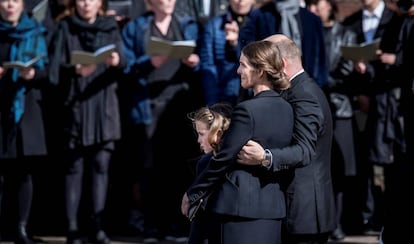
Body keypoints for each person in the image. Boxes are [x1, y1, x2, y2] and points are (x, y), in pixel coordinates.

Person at [182, 40, 294, 244]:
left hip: (238, 211)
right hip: (273, 209)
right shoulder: (287, 109)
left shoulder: (246, 110)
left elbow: (224, 157)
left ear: (260, 71)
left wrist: (193, 193)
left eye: (243, 65)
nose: (238, 70)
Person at [237, 34, 335, 244]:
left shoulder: (304, 94)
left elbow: (305, 150)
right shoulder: (292, 90)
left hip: (304, 212)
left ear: (280, 63)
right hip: (291, 208)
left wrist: (265, 156)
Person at [121, 0, 201, 241]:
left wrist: (194, 63)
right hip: (149, 106)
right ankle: (151, 225)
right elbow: (126, 67)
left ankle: (176, 224)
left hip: (180, 105)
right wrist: (149, 62)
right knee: (149, 167)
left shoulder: (187, 25)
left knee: (177, 166)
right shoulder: (136, 28)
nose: (167, 2)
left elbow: (203, 60)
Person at [47, 0, 125, 243]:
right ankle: (72, 228)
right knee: (75, 167)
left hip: (104, 105)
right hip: (77, 105)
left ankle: (97, 226)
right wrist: (75, 70)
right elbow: (53, 69)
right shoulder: (64, 27)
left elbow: (124, 60)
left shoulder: (110, 26)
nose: (86, 4)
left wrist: (115, 61)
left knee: (101, 166)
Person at [342, 0, 405, 233]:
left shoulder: (396, 20)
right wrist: (359, 92)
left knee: (389, 159)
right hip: (360, 100)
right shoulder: (351, 22)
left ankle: (386, 216)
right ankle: (366, 216)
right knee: (363, 159)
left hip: (389, 102)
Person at [306, 0, 358, 240]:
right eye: (310, 5)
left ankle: (337, 222)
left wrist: (320, 81)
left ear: (330, 7)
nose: (314, 9)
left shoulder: (345, 33)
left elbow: (347, 69)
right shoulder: (306, 32)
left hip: (339, 108)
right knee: (318, 169)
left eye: (318, 5)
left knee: (341, 168)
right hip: (313, 109)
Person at [0, 0, 49, 243]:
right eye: (5, 0)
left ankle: (21, 227)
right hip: (2, 107)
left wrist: (33, 73)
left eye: (15, 0)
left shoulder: (36, 31)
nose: (10, 5)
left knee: (24, 172)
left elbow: (48, 70)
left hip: (27, 108)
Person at [239, 0, 329, 89]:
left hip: (303, 86)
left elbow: (320, 60)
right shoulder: (260, 15)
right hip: (270, 87)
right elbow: (248, 51)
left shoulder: (311, 19)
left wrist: (317, 87)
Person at [186, 102, 233, 244]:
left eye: (201, 134)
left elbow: (200, 222)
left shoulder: (206, 163)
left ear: (217, 132)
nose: (198, 140)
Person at [198, 0, 255, 107]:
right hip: (225, 97)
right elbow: (208, 68)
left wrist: (234, 45)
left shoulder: (263, 22)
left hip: (255, 96)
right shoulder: (214, 26)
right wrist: (213, 105)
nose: (240, 1)